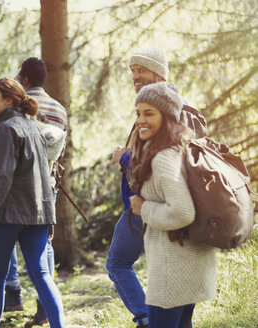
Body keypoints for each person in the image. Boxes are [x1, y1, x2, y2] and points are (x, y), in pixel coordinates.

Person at [106, 46, 206, 328]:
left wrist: (124, 157)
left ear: (159, 73)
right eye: (133, 70)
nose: (135, 75)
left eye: (142, 70)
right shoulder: (174, 106)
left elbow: (168, 159)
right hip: (166, 205)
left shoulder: (169, 110)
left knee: (119, 262)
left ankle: (146, 318)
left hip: (155, 203)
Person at [0, 78, 65, 328]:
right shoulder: (34, 127)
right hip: (37, 217)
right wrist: (49, 219)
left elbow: (1, 178)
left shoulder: (6, 129)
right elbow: (47, 176)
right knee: (42, 275)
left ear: (9, 100)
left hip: (6, 217)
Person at [128, 82, 216, 328]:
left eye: (149, 113)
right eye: (138, 113)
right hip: (190, 261)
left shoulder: (164, 158)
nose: (140, 120)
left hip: (173, 271)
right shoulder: (180, 146)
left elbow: (182, 211)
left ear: (167, 117)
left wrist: (143, 208)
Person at [3, 57, 68, 325]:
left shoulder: (17, 104)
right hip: (47, 183)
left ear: (25, 80)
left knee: (5, 232)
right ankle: (44, 304)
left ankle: (13, 291)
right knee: (46, 243)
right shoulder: (60, 109)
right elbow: (57, 148)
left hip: (19, 184)